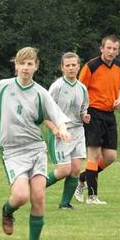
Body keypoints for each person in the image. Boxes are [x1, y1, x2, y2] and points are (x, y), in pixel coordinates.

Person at [0, 47, 70, 240]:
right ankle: (7, 211)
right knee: (21, 196)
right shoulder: (3, 86)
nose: (25, 68)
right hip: (13, 151)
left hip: (36, 149)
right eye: (22, 63)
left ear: (36, 67)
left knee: (38, 197)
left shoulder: (40, 93)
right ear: (16, 66)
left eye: (30, 64)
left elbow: (57, 116)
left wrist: (63, 130)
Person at [74, 35, 120, 204]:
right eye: (108, 48)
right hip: (93, 113)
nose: (111, 51)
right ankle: (92, 197)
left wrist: (119, 99)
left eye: (114, 49)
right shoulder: (91, 66)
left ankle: (82, 178)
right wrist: (82, 113)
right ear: (102, 48)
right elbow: (79, 90)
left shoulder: (119, 66)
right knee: (94, 155)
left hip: (109, 115)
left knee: (110, 156)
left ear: (118, 51)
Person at [44, 52, 90, 209]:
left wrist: (84, 117)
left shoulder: (82, 88)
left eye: (73, 65)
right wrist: (54, 128)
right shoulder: (57, 87)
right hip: (61, 132)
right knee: (64, 170)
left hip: (78, 132)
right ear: (62, 68)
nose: (71, 68)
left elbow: (83, 110)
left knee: (76, 169)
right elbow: (45, 111)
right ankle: (34, 186)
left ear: (78, 66)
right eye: (67, 65)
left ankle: (65, 204)